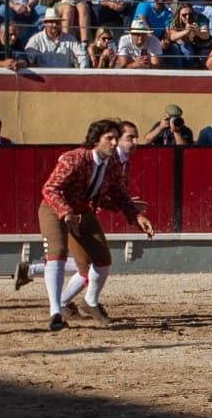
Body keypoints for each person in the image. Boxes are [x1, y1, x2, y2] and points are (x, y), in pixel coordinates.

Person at [25, 119, 156, 331]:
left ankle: (88, 301)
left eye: (116, 138)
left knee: (102, 260)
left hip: (82, 212)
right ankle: (55, 312)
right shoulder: (74, 158)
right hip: (54, 210)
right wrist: (65, 212)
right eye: (109, 138)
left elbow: (119, 194)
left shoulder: (112, 164)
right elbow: (50, 189)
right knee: (57, 253)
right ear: (95, 140)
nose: (114, 143)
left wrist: (137, 217)